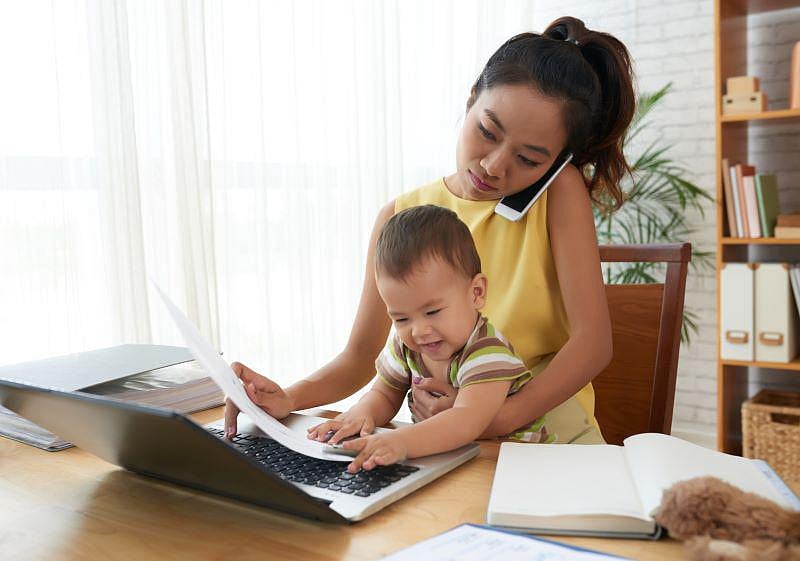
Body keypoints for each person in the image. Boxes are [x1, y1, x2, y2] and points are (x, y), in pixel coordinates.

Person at [225, 16, 635, 448]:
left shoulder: (559, 194)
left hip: (547, 444)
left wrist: (494, 417)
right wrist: (286, 398)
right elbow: (360, 360)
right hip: (446, 444)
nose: (495, 166)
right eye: (487, 132)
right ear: (471, 100)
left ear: (555, 162)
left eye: (530, 159)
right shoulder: (399, 216)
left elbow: (593, 344)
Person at [307, 204, 551, 471]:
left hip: (511, 464)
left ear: (477, 292)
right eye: (401, 319)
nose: (418, 330)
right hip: (452, 456)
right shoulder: (406, 346)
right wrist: (361, 414)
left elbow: (465, 420)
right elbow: (385, 394)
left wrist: (401, 441)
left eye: (432, 311)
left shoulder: (487, 352)